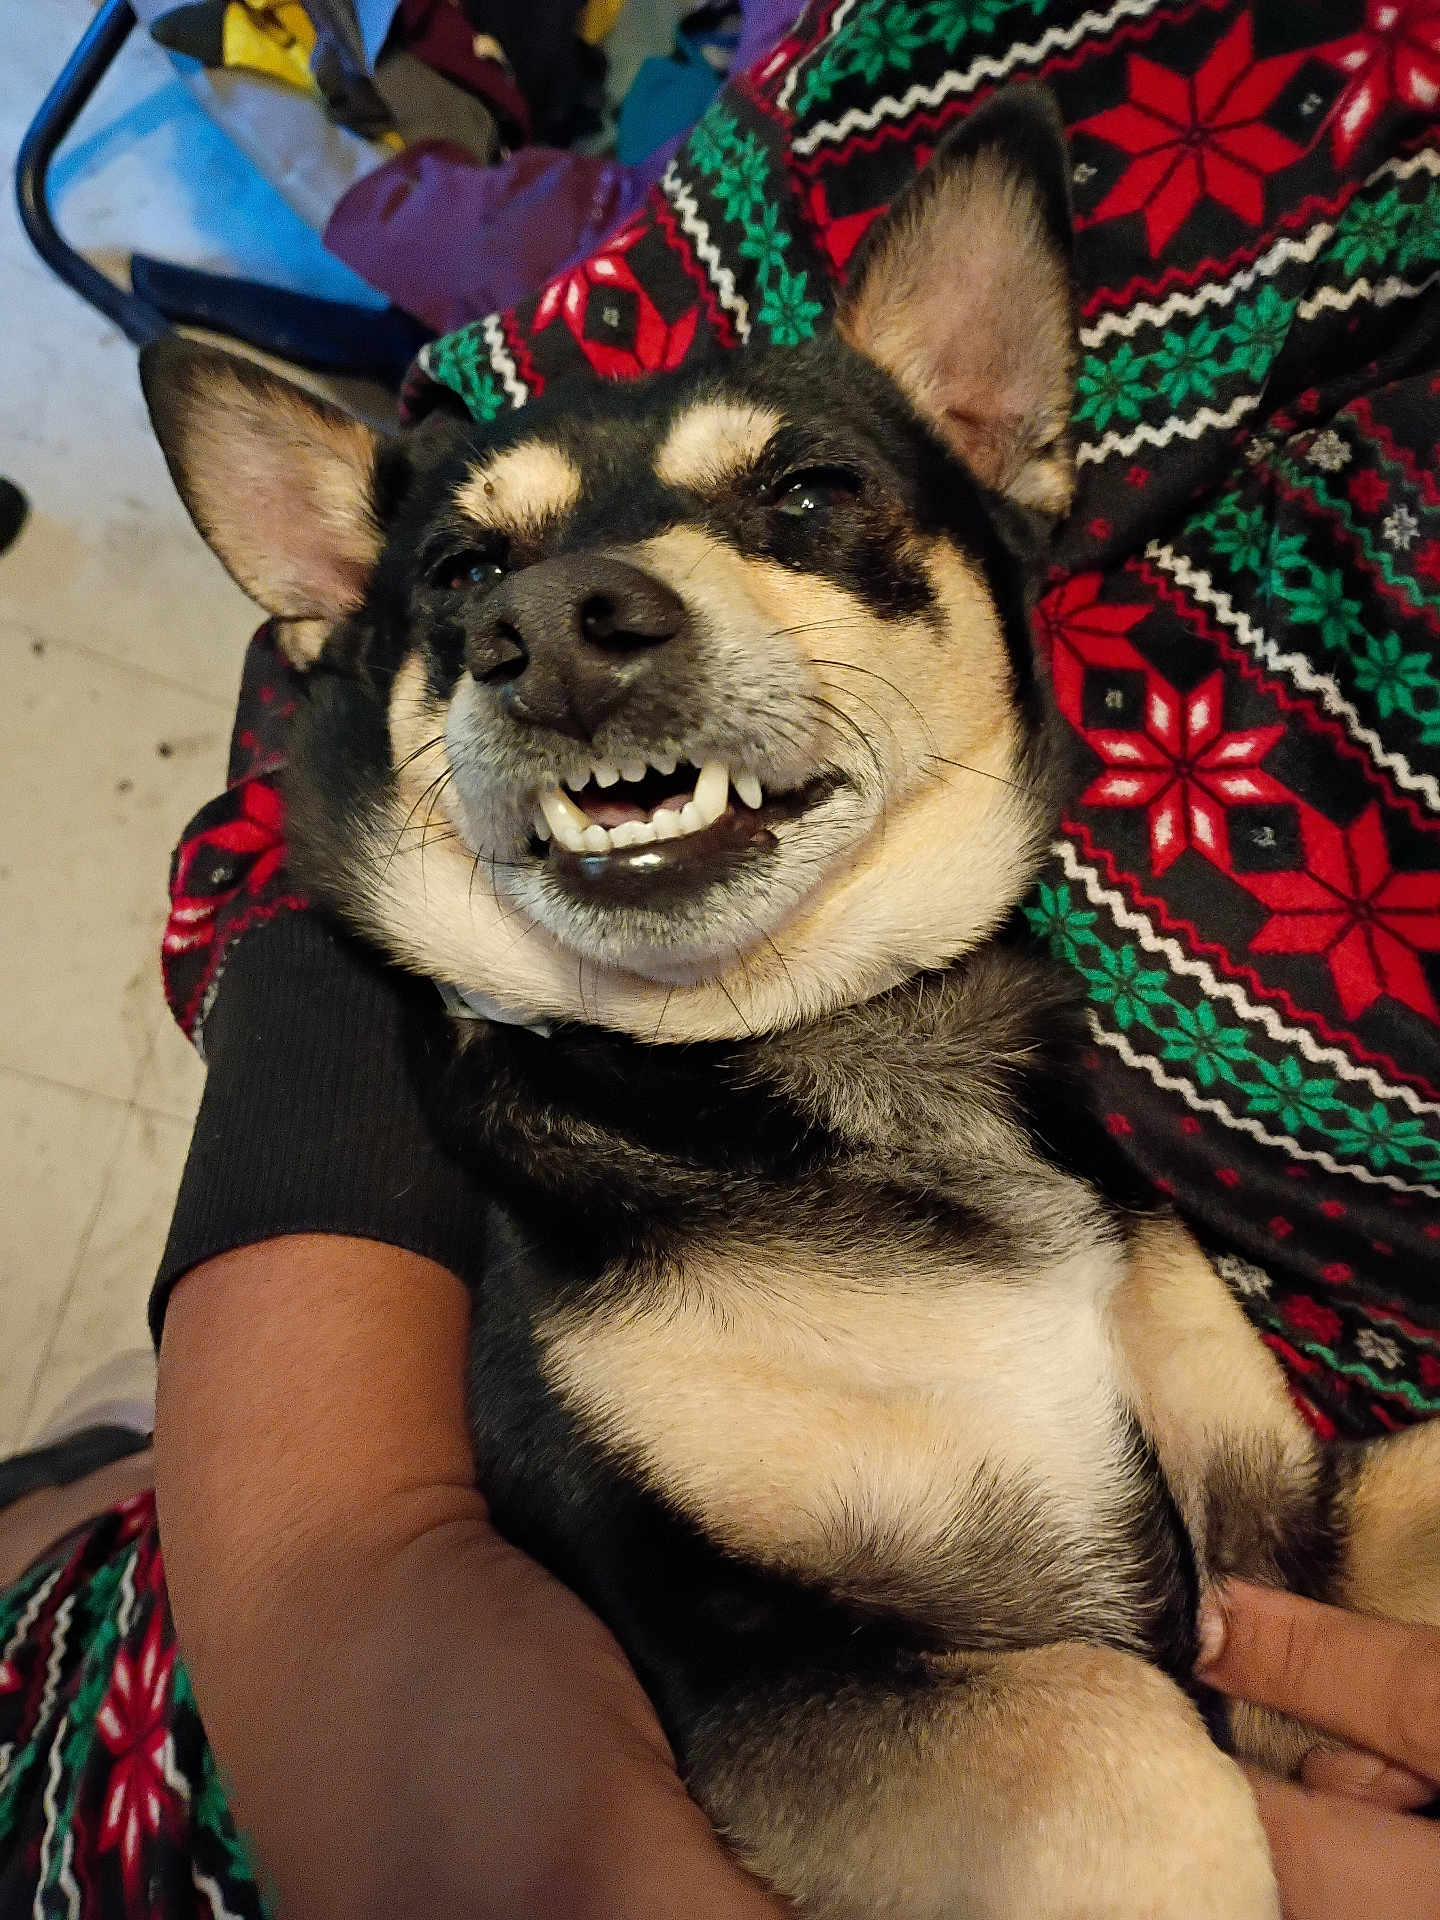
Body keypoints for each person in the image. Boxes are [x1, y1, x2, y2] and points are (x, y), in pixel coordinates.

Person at [4, 0, 1440, 1911]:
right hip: (200, 1764)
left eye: (805, 499)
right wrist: (338, 1563)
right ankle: (70, 1518)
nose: (569, 622)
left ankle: (79, 1482)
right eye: (467, 586)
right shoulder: (1239, 65)